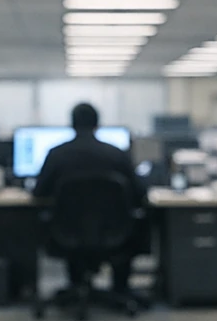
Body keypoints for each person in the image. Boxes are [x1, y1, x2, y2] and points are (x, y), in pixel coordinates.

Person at [33, 103, 147, 294]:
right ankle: (120, 290)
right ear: (97, 125)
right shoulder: (117, 154)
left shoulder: (56, 154)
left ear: (71, 124)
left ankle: (76, 286)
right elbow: (141, 194)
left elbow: (38, 193)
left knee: (69, 228)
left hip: (67, 234)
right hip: (114, 233)